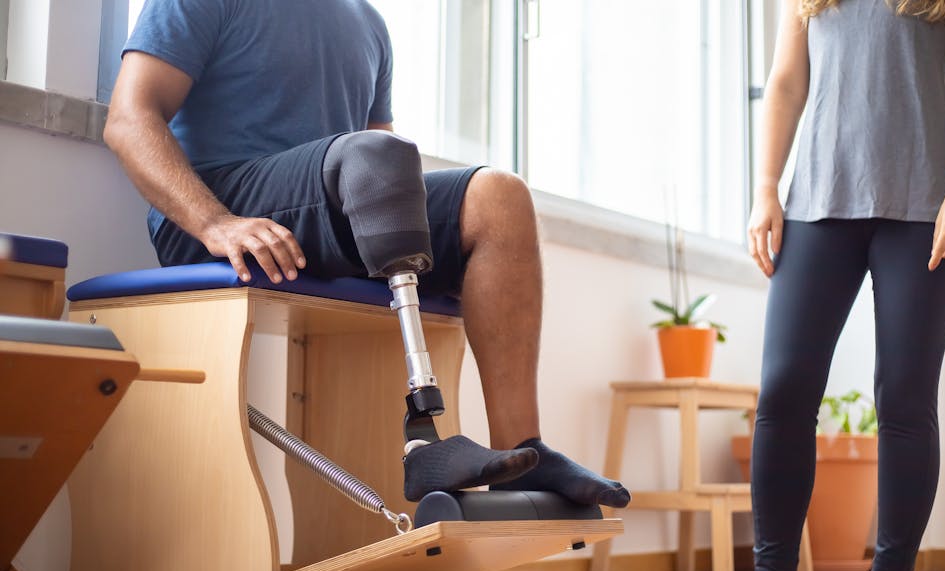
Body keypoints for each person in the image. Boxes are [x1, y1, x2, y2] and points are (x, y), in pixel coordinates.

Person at [103, 0, 630, 509]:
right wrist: (214, 223)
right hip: (221, 206)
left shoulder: (368, 21)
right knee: (375, 154)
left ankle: (523, 450)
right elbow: (128, 118)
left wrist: (447, 251)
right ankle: (423, 434)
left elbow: (386, 174)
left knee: (499, 197)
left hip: (327, 207)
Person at [706, 0, 945, 571]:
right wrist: (765, 189)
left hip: (925, 208)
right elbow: (787, 82)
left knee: (905, 396)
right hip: (815, 203)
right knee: (783, 391)